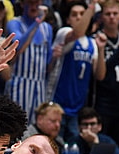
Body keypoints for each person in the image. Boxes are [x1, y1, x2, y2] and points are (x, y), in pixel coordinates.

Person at [46, 0, 106, 142]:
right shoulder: (64, 32)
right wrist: (91, 6)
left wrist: (102, 49)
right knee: (53, 146)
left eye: (82, 14)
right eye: (74, 14)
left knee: (72, 148)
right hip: (56, 103)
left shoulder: (92, 43)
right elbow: (77, 32)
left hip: (77, 107)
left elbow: (100, 75)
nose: (79, 17)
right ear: (68, 19)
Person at [5, 0, 53, 124]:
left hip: (39, 84)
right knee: (17, 125)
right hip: (19, 83)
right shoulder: (15, 23)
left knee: (37, 126)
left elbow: (48, 61)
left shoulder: (47, 28)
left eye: (36, 3)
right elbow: (19, 45)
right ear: (22, 4)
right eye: (30, 3)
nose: (34, 6)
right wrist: (37, 22)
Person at [92, 0, 119, 154]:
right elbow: (100, 75)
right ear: (102, 17)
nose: (112, 17)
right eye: (108, 14)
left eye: (115, 14)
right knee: (104, 147)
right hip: (102, 104)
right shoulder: (96, 40)